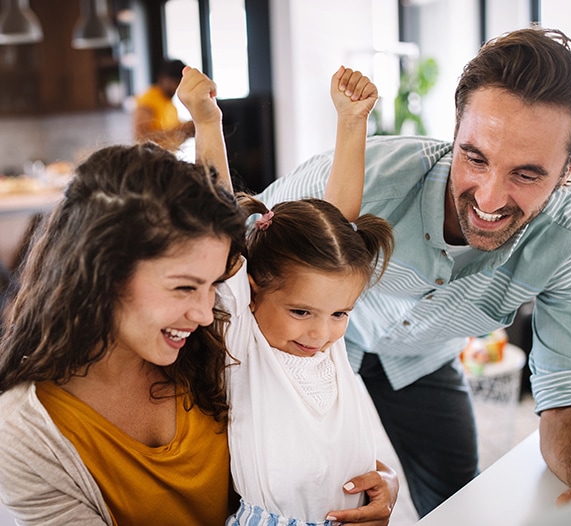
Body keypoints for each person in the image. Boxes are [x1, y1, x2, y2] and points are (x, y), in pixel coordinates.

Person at [254, 27, 571, 517]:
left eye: (526, 174)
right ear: (457, 128)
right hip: (318, 344)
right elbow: (237, 255)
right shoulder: (367, 177)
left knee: (458, 503)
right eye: (475, 157)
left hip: (423, 358)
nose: (488, 198)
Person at [0, 90, 398, 526]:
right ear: (102, 272)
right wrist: (208, 122)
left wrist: (384, 481)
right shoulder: (28, 435)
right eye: (185, 287)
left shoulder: (205, 343)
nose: (209, 312)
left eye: (212, 286)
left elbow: (332, 234)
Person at [178, 66, 397, 525]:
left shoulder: (323, 335)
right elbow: (219, 219)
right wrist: (206, 122)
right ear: (252, 291)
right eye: (300, 311)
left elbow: (341, 220)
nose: (322, 332)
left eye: (341, 313)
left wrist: (351, 122)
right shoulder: (246, 340)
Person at [133, 58, 196, 151]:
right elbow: (141, 138)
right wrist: (182, 130)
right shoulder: (148, 99)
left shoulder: (170, 105)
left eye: (179, 82)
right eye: (173, 81)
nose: (176, 86)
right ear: (162, 78)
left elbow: (174, 132)